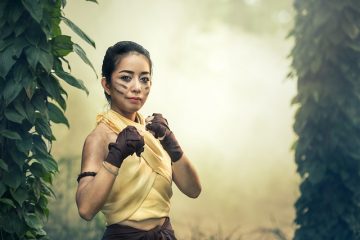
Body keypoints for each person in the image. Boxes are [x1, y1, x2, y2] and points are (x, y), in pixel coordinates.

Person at [75, 41, 202, 240]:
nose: (137, 87)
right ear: (106, 85)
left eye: (144, 79)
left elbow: (193, 190)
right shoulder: (99, 138)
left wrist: (171, 143)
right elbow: (85, 209)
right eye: (126, 78)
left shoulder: (154, 131)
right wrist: (116, 156)